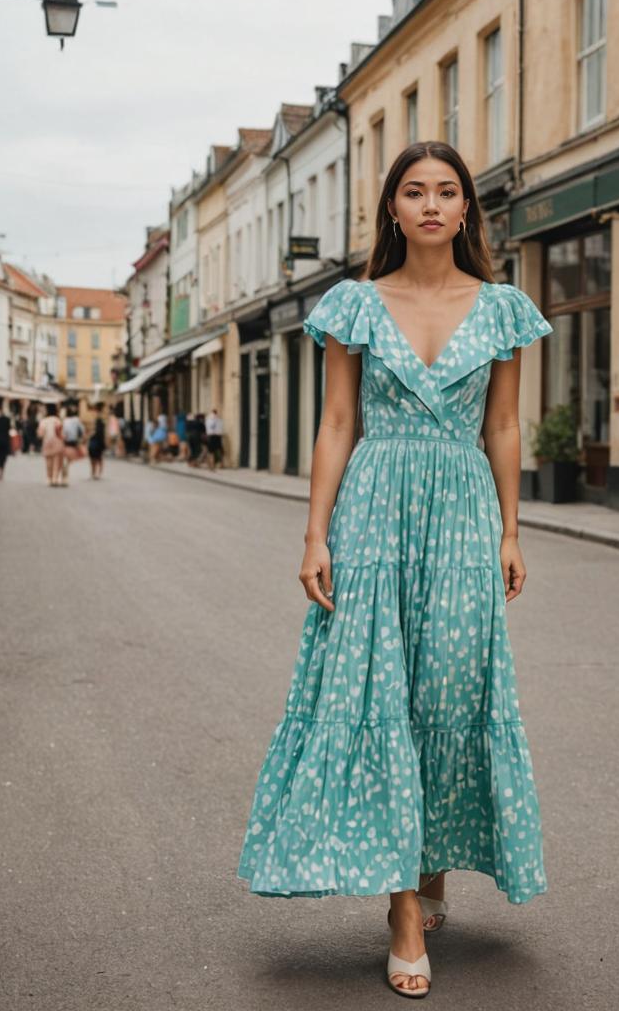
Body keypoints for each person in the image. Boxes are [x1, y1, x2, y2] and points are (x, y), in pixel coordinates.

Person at [235, 142, 552, 998]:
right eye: (414, 191)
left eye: (447, 192)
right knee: (383, 695)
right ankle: (403, 908)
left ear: (466, 211)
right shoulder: (355, 305)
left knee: (449, 694)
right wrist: (314, 535)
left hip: (460, 512)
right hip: (374, 512)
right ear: (393, 210)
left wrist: (512, 532)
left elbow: (505, 428)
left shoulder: (503, 309)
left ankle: (434, 855)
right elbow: (337, 423)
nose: (431, 205)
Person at [37, 403, 64, 486]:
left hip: (47, 442)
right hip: (57, 442)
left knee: (48, 462)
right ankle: (55, 478)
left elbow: (40, 434)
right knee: (57, 461)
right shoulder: (58, 420)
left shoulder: (44, 421)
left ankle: (49, 478)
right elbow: (61, 433)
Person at [60, 406, 85, 486]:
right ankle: (65, 478)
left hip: (65, 442)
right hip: (74, 443)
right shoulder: (77, 420)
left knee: (65, 461)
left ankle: (64, 478)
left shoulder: (64, 421)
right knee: (67, 462)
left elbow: (63, 432)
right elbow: (82, 430)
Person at [87, 403, 106, 480]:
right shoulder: (95, 419)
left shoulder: (100, 419)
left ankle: (97, 472)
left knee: (98, 457)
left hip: (97, 440)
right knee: (93, 457)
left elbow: (100, 432)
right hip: (94, 440)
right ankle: (94, 472)